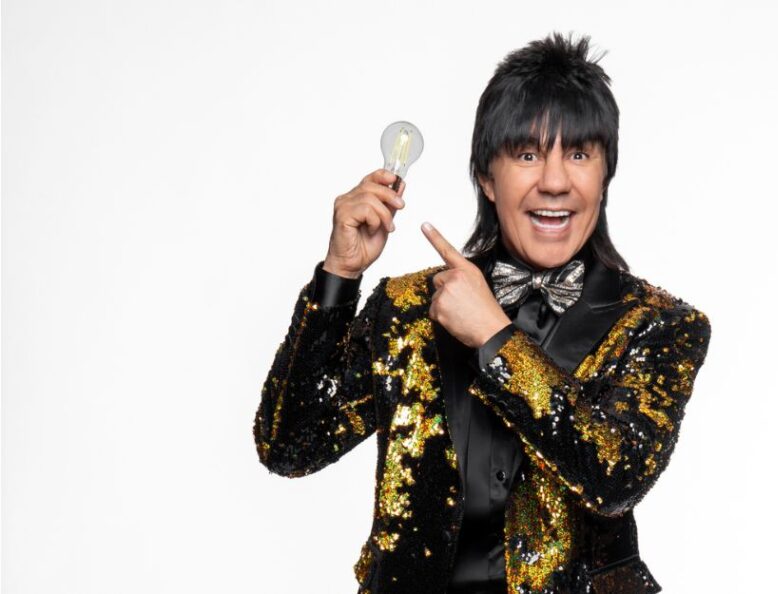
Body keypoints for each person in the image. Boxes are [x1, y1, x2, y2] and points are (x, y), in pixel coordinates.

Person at [253, 32, 711, 594]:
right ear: (486, 178)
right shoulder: (407, 309)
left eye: (578, 154)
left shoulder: (661, 326)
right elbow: (289, 446)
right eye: (527, 155)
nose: (554, 182)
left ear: (605, 174)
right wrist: (339, 276)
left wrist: (495, 338)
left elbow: (616, 480)